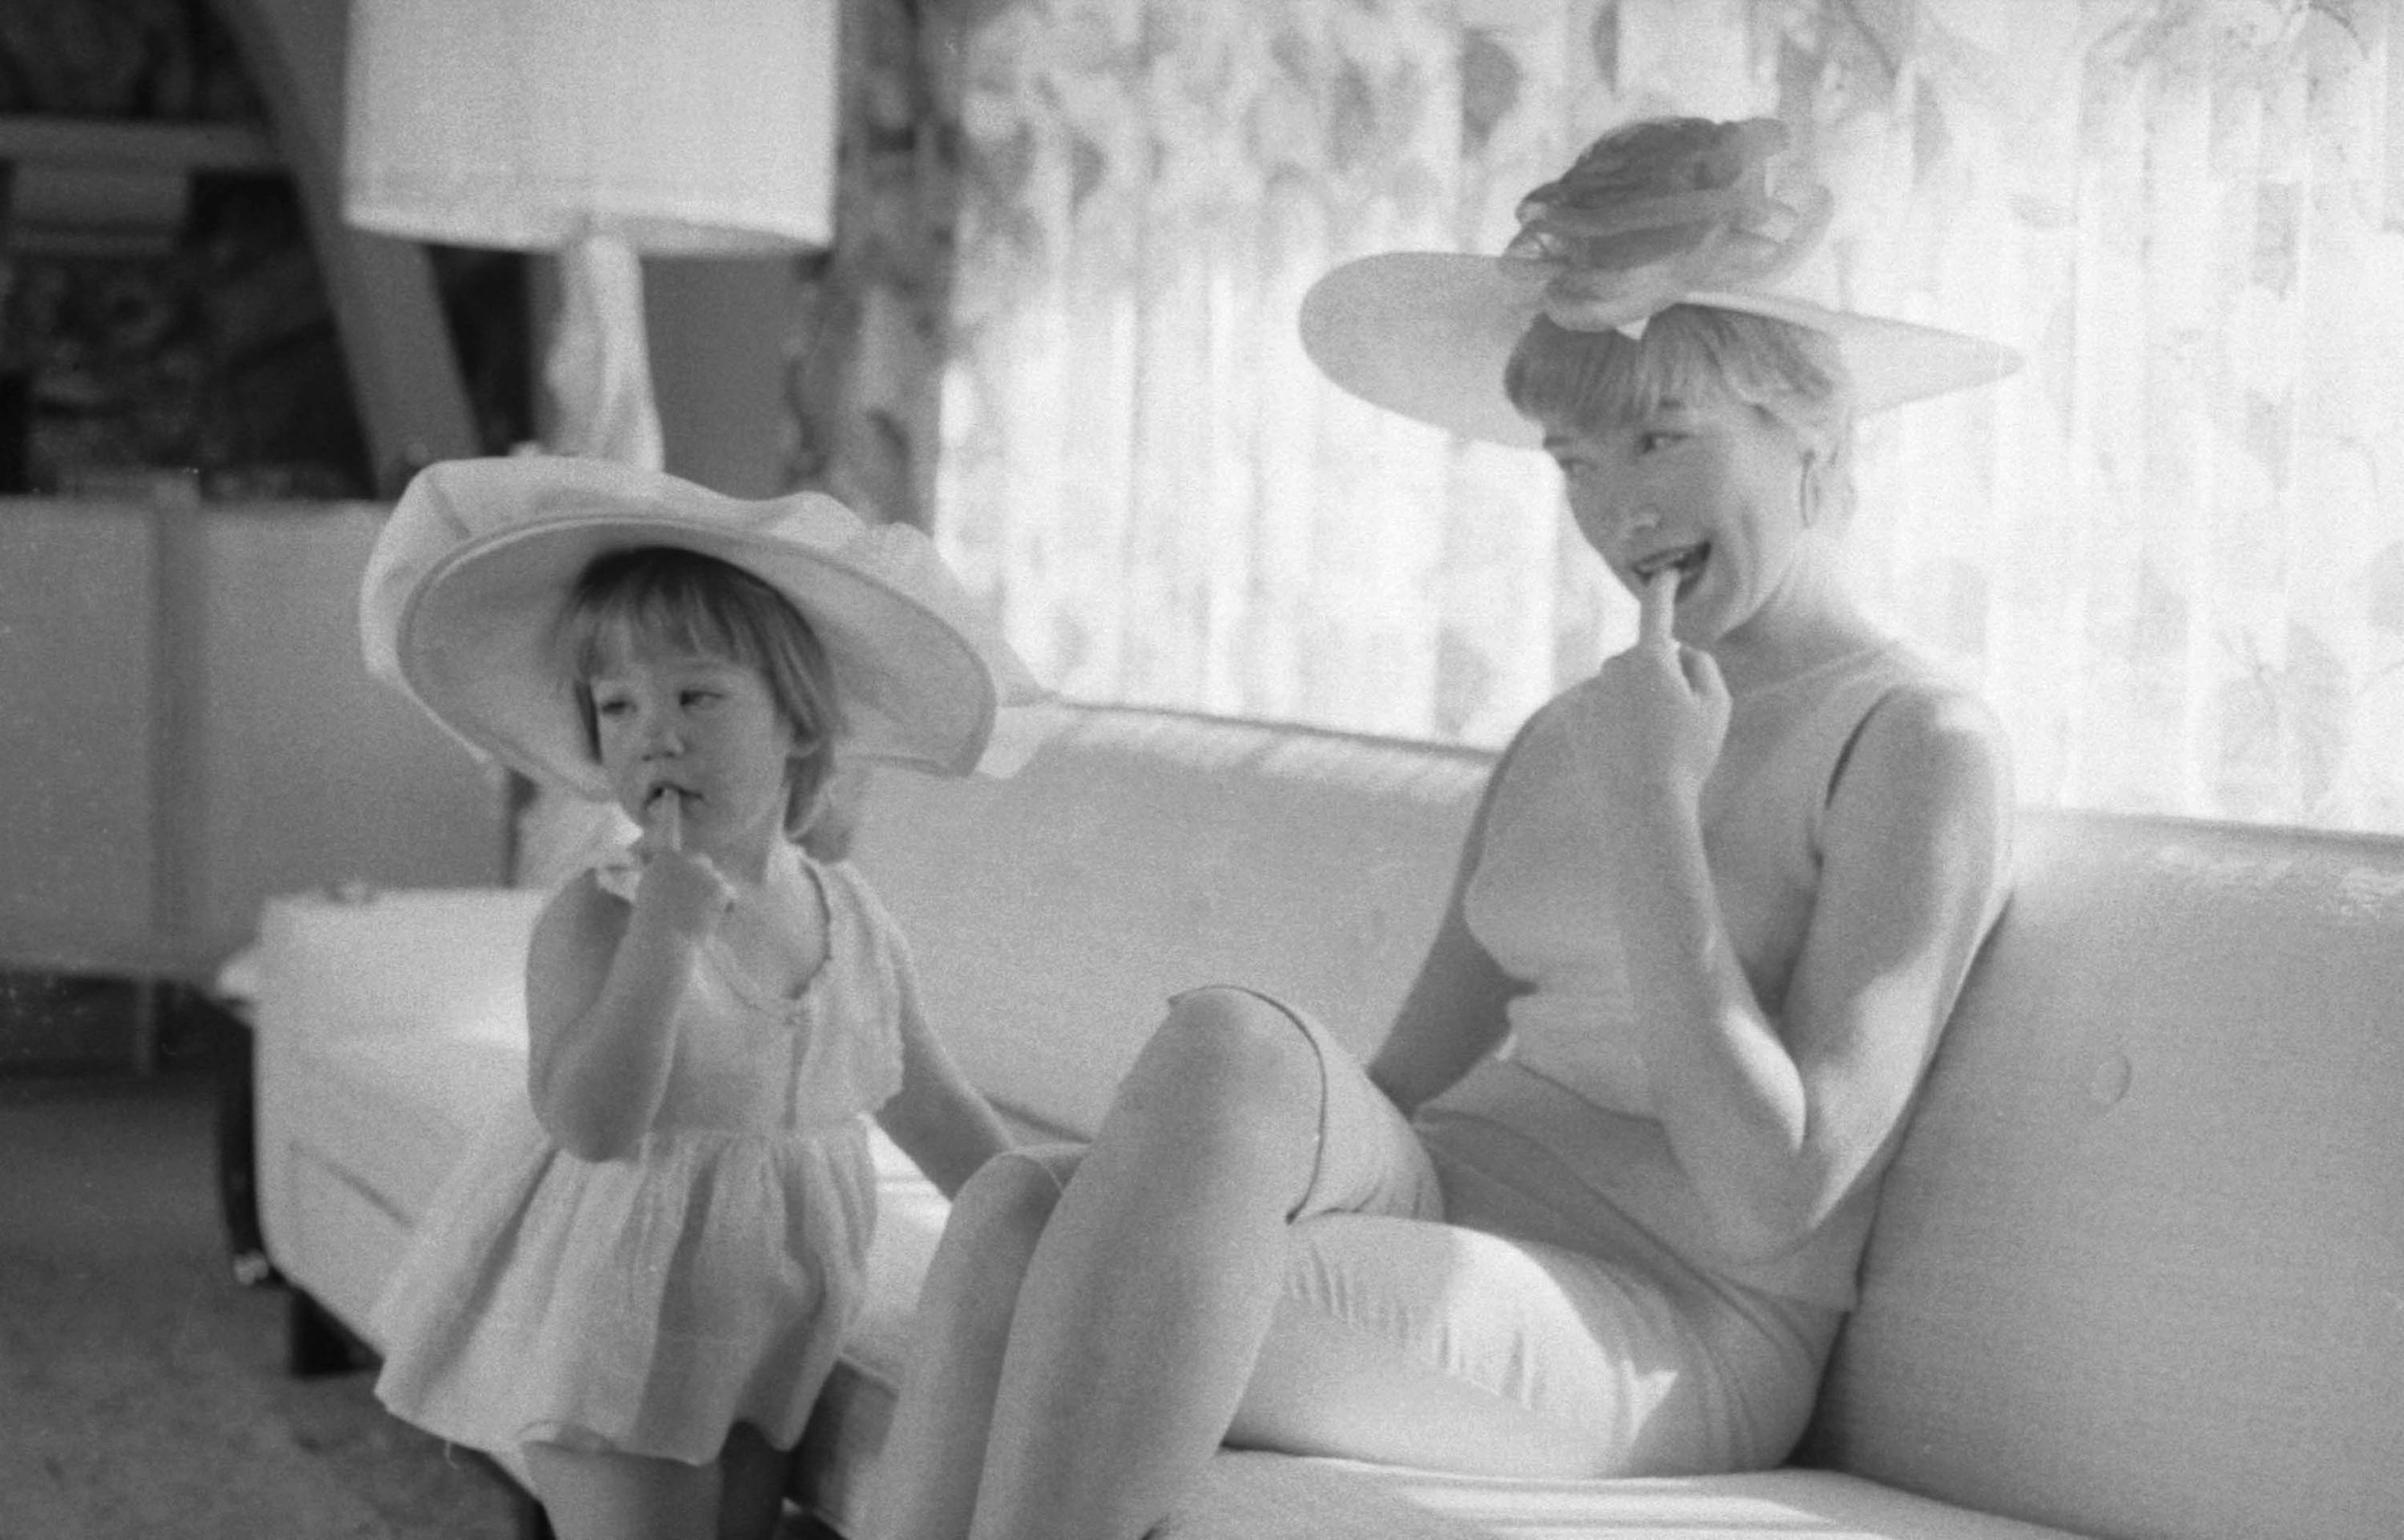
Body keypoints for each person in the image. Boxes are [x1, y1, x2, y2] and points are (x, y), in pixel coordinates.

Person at [863, 115, 2022, 1540]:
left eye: (1661, 436)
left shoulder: (1913, 741)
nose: (1620, 510)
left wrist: (1654, 809)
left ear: (1813, 434)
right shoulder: (1572, 727)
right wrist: (1189, 1191)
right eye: (1574, 460)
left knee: (1082, 1251)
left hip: (1668, 1316)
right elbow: (1407, 1076)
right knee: (1063, 1173)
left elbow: (1776, 1194)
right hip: (1455, 1197)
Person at [355, 456, 1052, 1540]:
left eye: (699, 695)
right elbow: (589, 1123)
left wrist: (1050, 1232)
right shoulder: (596, 917)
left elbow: (928, 1101)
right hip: (616, 1314)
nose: (655, 733)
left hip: (771, 1313)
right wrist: (666, 935)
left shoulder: (849, 912)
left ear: (798, 723)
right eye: (617, 705)